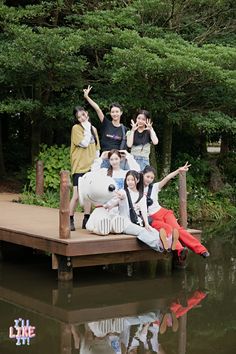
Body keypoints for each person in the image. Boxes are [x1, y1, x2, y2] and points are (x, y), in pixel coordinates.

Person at [142, 164, 210, 262]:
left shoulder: (155, 187)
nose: (149, 179)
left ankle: (201, 250)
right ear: (142, 175)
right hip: (153, 218)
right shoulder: (136, 189)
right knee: (169, 230)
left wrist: (179, 170)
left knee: (178, 229)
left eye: (152, 178)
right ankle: (180, 250)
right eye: (147, 176)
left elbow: (167, 177)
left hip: (163, 212)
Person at [104, 170, 178, 253]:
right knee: (141, 232)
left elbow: (144, 211)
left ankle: (168, 242)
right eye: (128, 180)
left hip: (137, 221)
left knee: (152, 230)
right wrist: (110, 203)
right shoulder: (123, 192)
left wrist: (146, 224)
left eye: (132, 180)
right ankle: (159, 246)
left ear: (137, 180)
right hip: (124, 223)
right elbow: (111, 204)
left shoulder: (141, 195)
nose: (130, 182)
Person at [70, 106, 100, 231]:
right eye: (79, 117)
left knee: (88, 194)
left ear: (87, 113)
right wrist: (87, 128)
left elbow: (97, 148)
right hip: (79, 166)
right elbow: (84, 143)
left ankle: (86, 218)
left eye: (83, 115)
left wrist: (97, 164)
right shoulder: (76, 128)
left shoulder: (93, 128)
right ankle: (69, 219)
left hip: (91, 166)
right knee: (77, 195)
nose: (82, 118)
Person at [83, 85, 128, 168]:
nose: (115, 114)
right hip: (105, 159)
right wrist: (87, 97)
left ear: (121, 112)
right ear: (110, 113)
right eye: (113, 112)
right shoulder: (106, 123)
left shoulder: (124, 129)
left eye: (117, 111)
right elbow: (98, 109)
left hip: (117, 161)